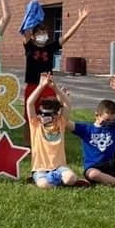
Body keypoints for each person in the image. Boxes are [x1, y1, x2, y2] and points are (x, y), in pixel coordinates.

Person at [22, 7, 90, 144]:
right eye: (40, 33)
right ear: (34, 36)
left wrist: (80, 20)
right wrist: (30, 15)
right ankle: (29, 144)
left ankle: (48, 139)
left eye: (45, 32)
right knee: (29, 116)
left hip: (47, 85)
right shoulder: (29, 47)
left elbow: (66, 37)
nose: (43, 35)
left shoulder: (50, 47)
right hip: (32, 86)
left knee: (49, 113)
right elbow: (26, 32)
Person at [25, 73, 78, 189]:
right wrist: (41, 86)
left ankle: (57, 180)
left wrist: (55, 87)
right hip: (40, 168)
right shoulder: (36, 124)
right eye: (42, 113)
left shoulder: (61, 122)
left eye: (48, 114)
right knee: (44, 185)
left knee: (71, 179)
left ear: (56, 114)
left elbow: (67, 104)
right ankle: (44, 180)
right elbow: (29, 103)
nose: (44, 117)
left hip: (59, 167)